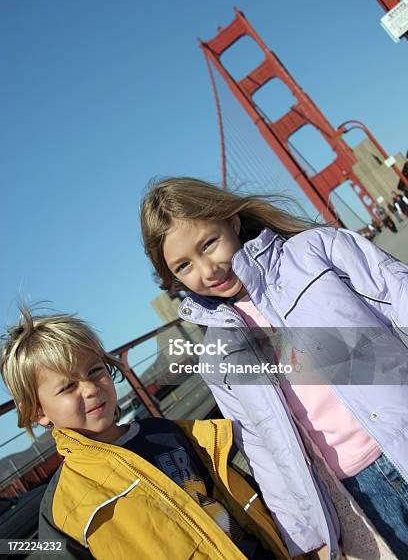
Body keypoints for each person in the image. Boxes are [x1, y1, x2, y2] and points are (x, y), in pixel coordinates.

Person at [140, 176, 408, 559]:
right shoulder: (217, 354)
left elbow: (399, 295)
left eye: (209, 244)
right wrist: (302, 536)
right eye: (184, 266)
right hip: (360, 485)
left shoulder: (316, 252)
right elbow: (263, 448)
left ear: (232, 223)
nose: (208, 269)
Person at [0, 308, 291, 560]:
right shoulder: (64, 507)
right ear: (39, 412)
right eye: (67, 387)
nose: (89, 388)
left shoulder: (167, 433)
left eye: (94, 371)